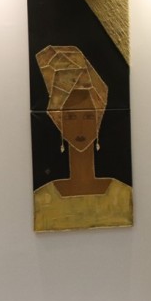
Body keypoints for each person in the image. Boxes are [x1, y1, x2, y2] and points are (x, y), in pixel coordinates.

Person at [33, 45, 133, 231]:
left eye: (88, 116)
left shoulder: (123, 195)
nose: (80, 127)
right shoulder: (42, 199)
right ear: (59, 121)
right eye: (71, 117)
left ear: (98, 118)